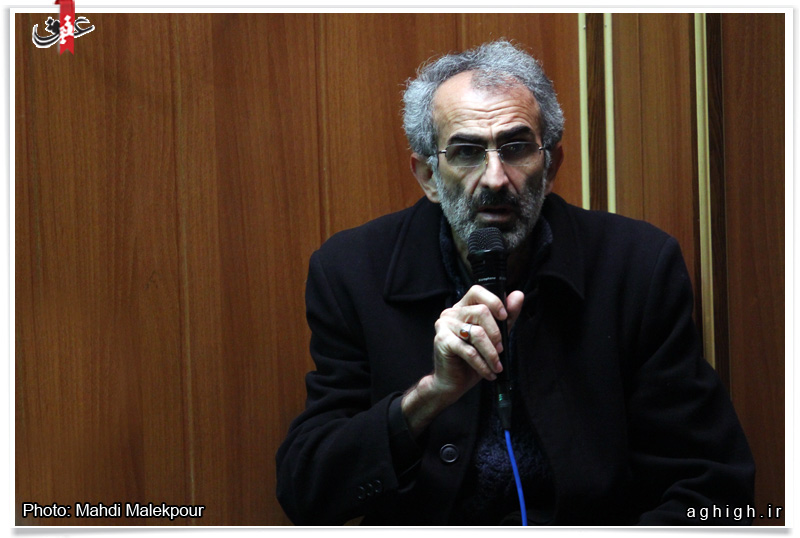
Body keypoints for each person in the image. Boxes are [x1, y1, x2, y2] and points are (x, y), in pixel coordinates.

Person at [275, 40, 755, 526]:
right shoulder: (352, 271)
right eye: (466, 152)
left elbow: (716, 489)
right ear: (427, 176)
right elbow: (307, 490)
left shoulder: (637, 268)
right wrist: (430, 395)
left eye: (517, 147)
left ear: (552, 166)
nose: (495, 178)